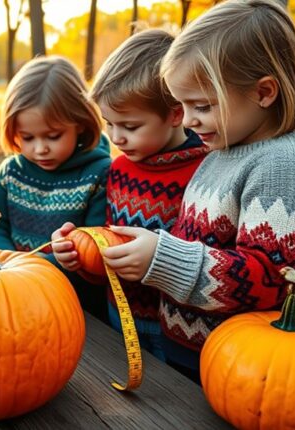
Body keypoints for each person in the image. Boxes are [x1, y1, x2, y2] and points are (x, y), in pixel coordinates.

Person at [100, 0, 295, 381]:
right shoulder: (222, 150)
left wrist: (164, 259)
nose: (189, 120)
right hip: (190, 352)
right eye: (183, 105)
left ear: (264, 92)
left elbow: (270, 280)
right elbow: (199, 241)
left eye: (202, 106)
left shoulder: (287, 168)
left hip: (243, 368)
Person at [52, 29, 208, 361]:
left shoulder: (204, 171)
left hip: (180, 333)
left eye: (130, 126)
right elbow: (112, 250)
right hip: (118, 317)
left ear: (175, 113)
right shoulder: (119, 170)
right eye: (109, 124)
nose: (117, 137)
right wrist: (81, 256)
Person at [0, 56, 111, 322]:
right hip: (12, 295)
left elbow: (95, 245)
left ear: (80, 122)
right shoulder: (11, 173)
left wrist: (44, 267)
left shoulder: (100, 174)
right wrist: (11, 265)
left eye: (53, 136)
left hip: (76, 306)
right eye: (27, 138)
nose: (40, 148)